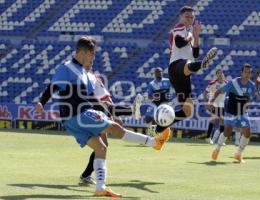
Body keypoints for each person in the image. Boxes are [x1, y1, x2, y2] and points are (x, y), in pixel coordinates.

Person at [35, 36, 171, 197]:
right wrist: (41, 102)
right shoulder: (67, 68)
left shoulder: (84, 73)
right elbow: (53, 87)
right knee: (116, 129)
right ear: (84, 52)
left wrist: (115, 112)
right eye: (92, 54)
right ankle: (154, 142)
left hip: (71, 121)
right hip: (79, 114)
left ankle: (100, 188)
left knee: (101, 147)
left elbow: (93, 100)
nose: (94, 58)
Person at [154, 6, 218, 133]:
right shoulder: (179, 27)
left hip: (184, 74)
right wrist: (190, 36)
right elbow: (179, 44)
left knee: (187, 111)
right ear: (181, 17)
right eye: (187, 16)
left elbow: (195, 53)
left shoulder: (189, 33)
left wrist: (196, 35)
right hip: (176, 66)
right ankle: (202, 64)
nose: (190, 19)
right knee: (188, 64)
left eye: (192, 17)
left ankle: (157, 128)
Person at [210, 64, 255, 163]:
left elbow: (249, 98)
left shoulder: (252, 85)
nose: (247, 74)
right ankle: (217, 149)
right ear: (241, 73)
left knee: (248, 132)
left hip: (242, 112)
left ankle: (238, 154)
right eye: (245, 72)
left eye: (249, 72)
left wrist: (247, 105)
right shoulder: (233, 83)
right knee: (227, 131)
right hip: (231, 111)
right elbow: (219, 91)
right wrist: (212, 101)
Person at [144, 67, 172, 134]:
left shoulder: (167, 81)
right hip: (155, 103)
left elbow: (176, 87)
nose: (159, 73)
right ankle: (152, 133)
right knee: (147, 119)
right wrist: (153, 96)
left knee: (156, 119)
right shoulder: (152, 83)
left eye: (160, 71)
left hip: (164, 104)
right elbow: (149, 95)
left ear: (162, 72)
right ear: (155, 74)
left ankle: (151, 134)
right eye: (157, 72)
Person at [203, 69, 227, 144]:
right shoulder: (213, 83)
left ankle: (221, 140)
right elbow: (205, 92)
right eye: (218, 73)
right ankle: (207, 138)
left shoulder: (226, 83)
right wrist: (206, 102)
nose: (220, 74)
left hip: (222, 105)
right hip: (214, 104)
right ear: (216, 75)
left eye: (221, 73)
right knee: (213, 119)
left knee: (222, 121)